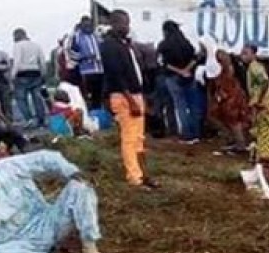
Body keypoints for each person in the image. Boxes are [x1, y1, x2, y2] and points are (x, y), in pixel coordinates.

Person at [100, 10, 157, 189]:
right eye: (123, 23)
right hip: (124, 96)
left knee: (139, 138)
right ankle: (134, 177)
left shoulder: (124, 44)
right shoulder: (109, 46)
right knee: (130, 139)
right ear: (113, 24)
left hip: (135, 94)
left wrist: (141, 97)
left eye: (128, 22)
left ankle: (143, 174)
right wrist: (130, 100)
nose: (127, 27)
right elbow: (116, 74)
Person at [158, 21, 203, 144]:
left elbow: (164, 64)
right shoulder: (186, 43)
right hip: (189, 77)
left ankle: (187, 135)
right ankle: (196, 133)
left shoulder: (163, 45)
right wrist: (186, 70)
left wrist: (179, 71)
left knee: (180, 106)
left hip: (173, 78)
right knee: (193, 105)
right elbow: (196, 58)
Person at [209, 49, 249, 149]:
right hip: (232, 97)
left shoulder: (227, 70)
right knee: (229, 120)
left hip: (231, 98)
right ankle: (235, 140)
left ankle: (240, 143)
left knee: (233, 121)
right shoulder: (229, 68)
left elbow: (226, 86)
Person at [11, 28, 47, 128]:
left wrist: (12, 76)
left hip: (22, 73)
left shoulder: (18, 45)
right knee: (37, 98)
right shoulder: (36, 45)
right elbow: (42, 61)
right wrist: (43, 74)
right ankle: (41, 120)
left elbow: (17, 62)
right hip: (35, 73)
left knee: (21, 98)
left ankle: (29, 119)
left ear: (17, 35)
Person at [68, 16, 105, 109]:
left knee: (99, 94)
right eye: (86, 25)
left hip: (99, 69)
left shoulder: (97, 36)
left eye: (90, 25)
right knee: (87, 95)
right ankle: (88, 112)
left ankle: (98, 113)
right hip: (86, 71)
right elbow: (71, 53)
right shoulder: (76, 37)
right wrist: (84, 57)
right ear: (81, 25)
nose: (88, 27)